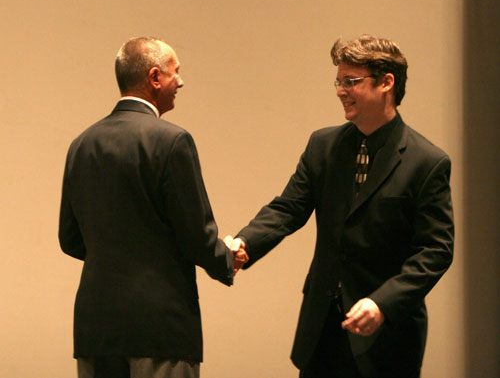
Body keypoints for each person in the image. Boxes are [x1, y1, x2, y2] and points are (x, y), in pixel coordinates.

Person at [226, 34, 454, 378]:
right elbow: (288, 208)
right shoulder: (324, 146)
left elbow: (435, 250)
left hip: (386, 335)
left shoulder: (427, 161)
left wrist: (383, 302)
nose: (340, 91)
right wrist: (245, 243)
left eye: (351, 81)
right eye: (338, 81)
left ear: (386, 83)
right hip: (322, 329)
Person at [59, 37, 246, 378]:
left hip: (95, 326)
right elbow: (196, 236)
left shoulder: (81, 144)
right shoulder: (172, 141)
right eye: (177, 72)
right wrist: (227, 257)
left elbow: (69, 239)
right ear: (155, 77)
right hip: (160, 327)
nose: (181, 81)